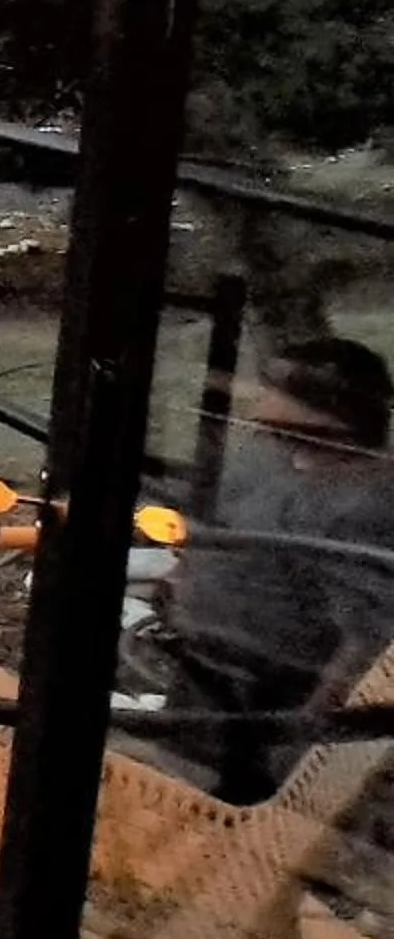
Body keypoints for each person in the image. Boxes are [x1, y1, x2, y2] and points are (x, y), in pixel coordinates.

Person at [161, 335, 394, 800]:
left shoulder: (362, 505)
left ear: (327, 409)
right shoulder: (268, 457)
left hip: (261, 700)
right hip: (199, 672)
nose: (256, 398)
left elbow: (362, 641)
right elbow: (218, 526)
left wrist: (302, 739)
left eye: (276, 388)